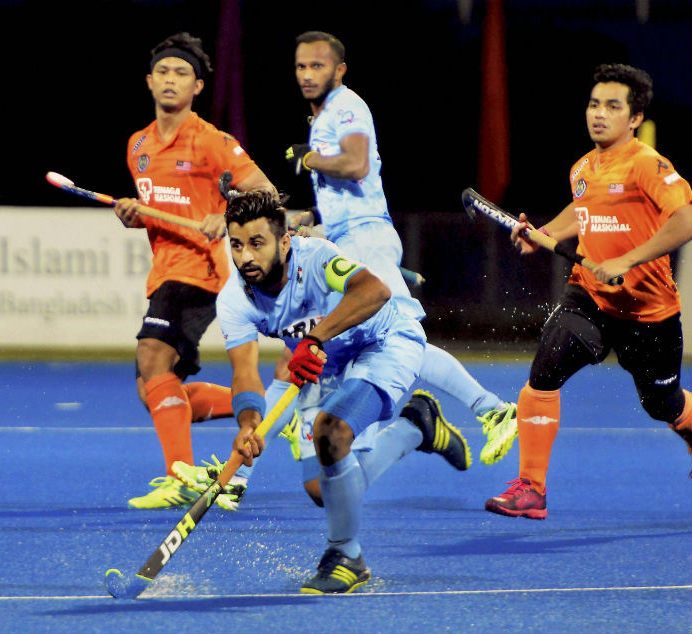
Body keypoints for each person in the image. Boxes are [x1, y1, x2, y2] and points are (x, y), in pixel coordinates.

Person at [174, 30, 516, 509]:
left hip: (365, 237)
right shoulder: (323, 118)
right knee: (296, 360)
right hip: (346, 235)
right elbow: (344, 190)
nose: (307, 75)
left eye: (317, 66)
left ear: (340, 70)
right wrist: (312, 222)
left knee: (400, 337)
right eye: (300, 66)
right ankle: (248, 467)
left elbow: (355, 165)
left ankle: (492, 409)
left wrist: (309, 158)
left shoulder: (346, 106)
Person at [217, 191, 471, 593]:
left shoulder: (316, 257)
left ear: (284, 242)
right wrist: (249, 424)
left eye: (256, 243)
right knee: (324, 489)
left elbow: (374, 291)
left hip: (386, 342)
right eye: (236, 245)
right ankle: (416, 427)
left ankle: (346, 556)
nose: (245, 256)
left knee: (331, 431)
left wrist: (313, 339)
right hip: (331, 360)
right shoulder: (234, 300)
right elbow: (244, 373)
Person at [485, 63, 692, 519]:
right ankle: (531, 489)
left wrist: (627, 259)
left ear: (635, 118)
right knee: (545, 371)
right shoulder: (583, 167)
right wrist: (542, 234)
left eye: (612, 107)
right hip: (591, 298)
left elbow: (685, 221)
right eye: (594, 104)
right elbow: (583, 211)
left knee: (664, 404)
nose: (599, 114)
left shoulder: (647, 164)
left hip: (650, 313)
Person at [113, 32, 277, 510]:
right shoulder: (138, 145)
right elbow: (159, 211)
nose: (171, 79)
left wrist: (226, 215)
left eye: (181, 73)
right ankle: (265, 413)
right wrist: (134, 214)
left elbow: (266, 194)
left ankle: (179, 475)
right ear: (149, 81)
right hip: (165, 271)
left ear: (197, 86)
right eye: (163, 71)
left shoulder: (212, 142)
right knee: (153, 389)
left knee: (152, 358)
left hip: (201, 272)